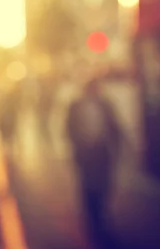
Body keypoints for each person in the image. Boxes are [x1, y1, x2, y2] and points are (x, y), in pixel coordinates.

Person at [66, 76, 123, 239]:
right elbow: (69, 127)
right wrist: (77, 146)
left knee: (104, 182)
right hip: (85, 152)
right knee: (87, 184)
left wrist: (117, 147)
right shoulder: (75, 106)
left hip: (102, 151)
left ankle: (102, 210)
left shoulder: (106, 104)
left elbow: (114, 126)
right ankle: (92, 215)